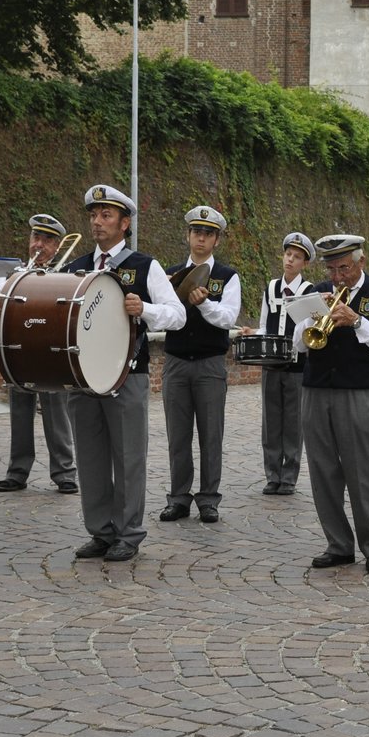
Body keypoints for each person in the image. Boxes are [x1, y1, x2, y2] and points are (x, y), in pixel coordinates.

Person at [61, 185, 185, 562]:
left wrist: (144, 308)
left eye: (106, 215)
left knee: (128, 456)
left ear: (125, 222)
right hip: (83, 375)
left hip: (127, 374)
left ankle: (128, 533)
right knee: (91, 457)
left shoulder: (145, 266)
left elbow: (177, 315)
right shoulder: (75, 267)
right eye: (94, 215)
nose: (97, 222)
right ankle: (101, 531)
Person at [298, 233, 369, 574]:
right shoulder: (316, 291)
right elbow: (298, 344)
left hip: (359, 390)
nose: (338, 277)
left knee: (363, 470)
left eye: (344, 268)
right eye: (332, 269)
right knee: (322, 470)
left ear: (361, 263)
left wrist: (356, 320)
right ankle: (338, 544)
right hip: (316, 388)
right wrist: (312, 317)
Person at [158, 205, 241, 524]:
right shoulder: (171, 273)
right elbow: (163, 314)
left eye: (208, 234)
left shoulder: (227, 276)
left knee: (210, 434)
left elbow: (228, 318)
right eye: (196, 232)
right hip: (176, 361)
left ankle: (209, 498)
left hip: (209, 363)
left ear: (216, 240)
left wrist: (204, 302)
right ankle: (178, 497)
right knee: (177, 435)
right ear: (188, 235)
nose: (201, 239)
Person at [0, 214, 78, 495]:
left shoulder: (67, 274)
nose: (39, 245)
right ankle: (17, 471)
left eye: (47, 240)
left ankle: (64, 472)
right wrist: (14, 280)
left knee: (57, 412)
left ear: (58, 246)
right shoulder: (15, 273)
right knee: (19, 411)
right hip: (20, 350)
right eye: (35, 238)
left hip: (51, 350)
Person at [238, 231, 315, 495]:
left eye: (297, 257)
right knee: (271, 422)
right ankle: (272, 474)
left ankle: (289, 477)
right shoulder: (271, 287)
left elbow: (306, 330)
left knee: (293, 423)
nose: (290, 260)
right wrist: (253, 334)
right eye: (288, 254)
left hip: (295, 366)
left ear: (305, 263)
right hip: (270, 364)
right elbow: (265, 325)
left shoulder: (308, 291)